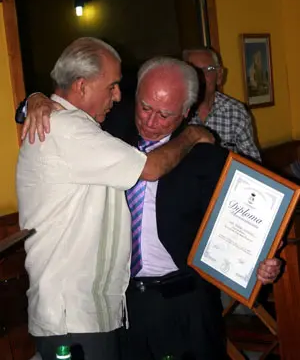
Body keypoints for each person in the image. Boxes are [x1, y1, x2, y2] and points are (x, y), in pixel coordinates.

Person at [18, 56, 281, 360]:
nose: (150, 121)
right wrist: (34, 100)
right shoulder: (107, 133)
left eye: (165, 114)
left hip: (185, 301)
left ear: (186, 113)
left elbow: (244, 226)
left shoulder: (207, 160)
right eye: (144, 107)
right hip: (121, 304)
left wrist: (259, 264)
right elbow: (66, 102)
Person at [183, 47, 261, 161]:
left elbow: (253, 163)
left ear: (219, 75)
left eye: (207, 69)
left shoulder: (236, 112)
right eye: (193, 70)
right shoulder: (175, 112)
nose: (200, 77)